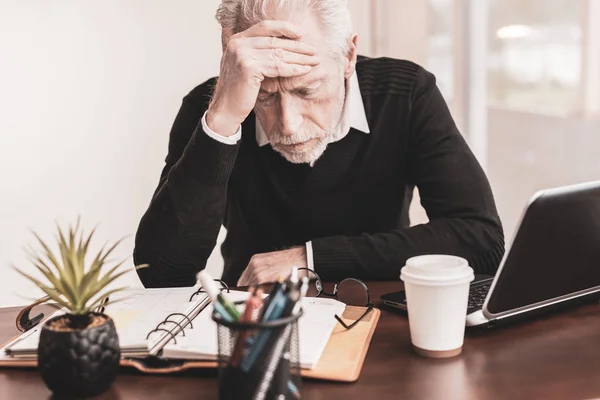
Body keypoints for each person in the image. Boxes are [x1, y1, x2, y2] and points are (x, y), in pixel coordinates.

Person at [133, 0, 505, 289]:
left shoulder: (406, 93)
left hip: (378, 315)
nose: (288, 124)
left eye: (307, 90)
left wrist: (311, 257)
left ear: (348, 56)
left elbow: (481, 239)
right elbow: (162, 273)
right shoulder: (213, 107)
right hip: (255, 322)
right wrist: (223, 121)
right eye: (264, 96)